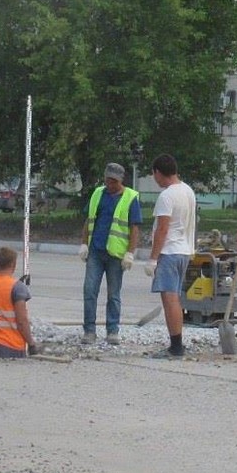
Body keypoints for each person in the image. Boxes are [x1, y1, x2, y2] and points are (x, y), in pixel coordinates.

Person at [78, 162, 141, 345]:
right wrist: (84, 243)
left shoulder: (130, 198)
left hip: (116, 254)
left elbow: (134, 228)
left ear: (120, 181)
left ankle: (112, 330)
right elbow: (88, 219)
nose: (109, 184)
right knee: (89, 291)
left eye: (113, 181)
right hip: (96, 252)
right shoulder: (98, 194)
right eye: (107, 180)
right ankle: (89, 331)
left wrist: (130, 253)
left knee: (113, 294)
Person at [145, 154, 197, 359]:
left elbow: (162, 229)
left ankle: (176, 346)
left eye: (154, 174)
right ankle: (176, 344)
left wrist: (152, 258)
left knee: (170, 299)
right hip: (184, 250)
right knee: (174, 297)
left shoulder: (166, 196)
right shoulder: (188, 191)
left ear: (158, 172)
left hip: (169, 251)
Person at [0, 246, 39, 358]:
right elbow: (22, 321)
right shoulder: (17, 287)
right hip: (10, 345)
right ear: (13, 264)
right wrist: (31, 343)